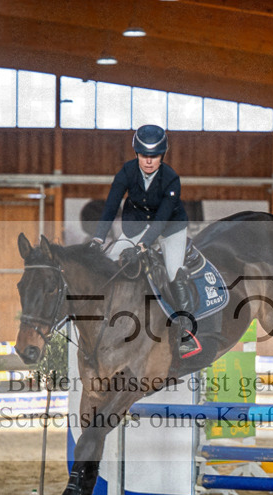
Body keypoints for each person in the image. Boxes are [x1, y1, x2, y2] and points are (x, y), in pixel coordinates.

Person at [92, 124, 200, 358]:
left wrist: (142, 246)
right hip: (137, 226)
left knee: (173, 272)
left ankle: (186, 332)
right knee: (109, 262)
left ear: (162, 156)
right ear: (136, 154)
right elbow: (111, 205)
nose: (149, 161)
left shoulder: (171, 178)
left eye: (154, 156)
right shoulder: (126, 172)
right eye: (144, 156)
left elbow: (161, 219)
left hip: (169, 228)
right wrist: (98, 237)